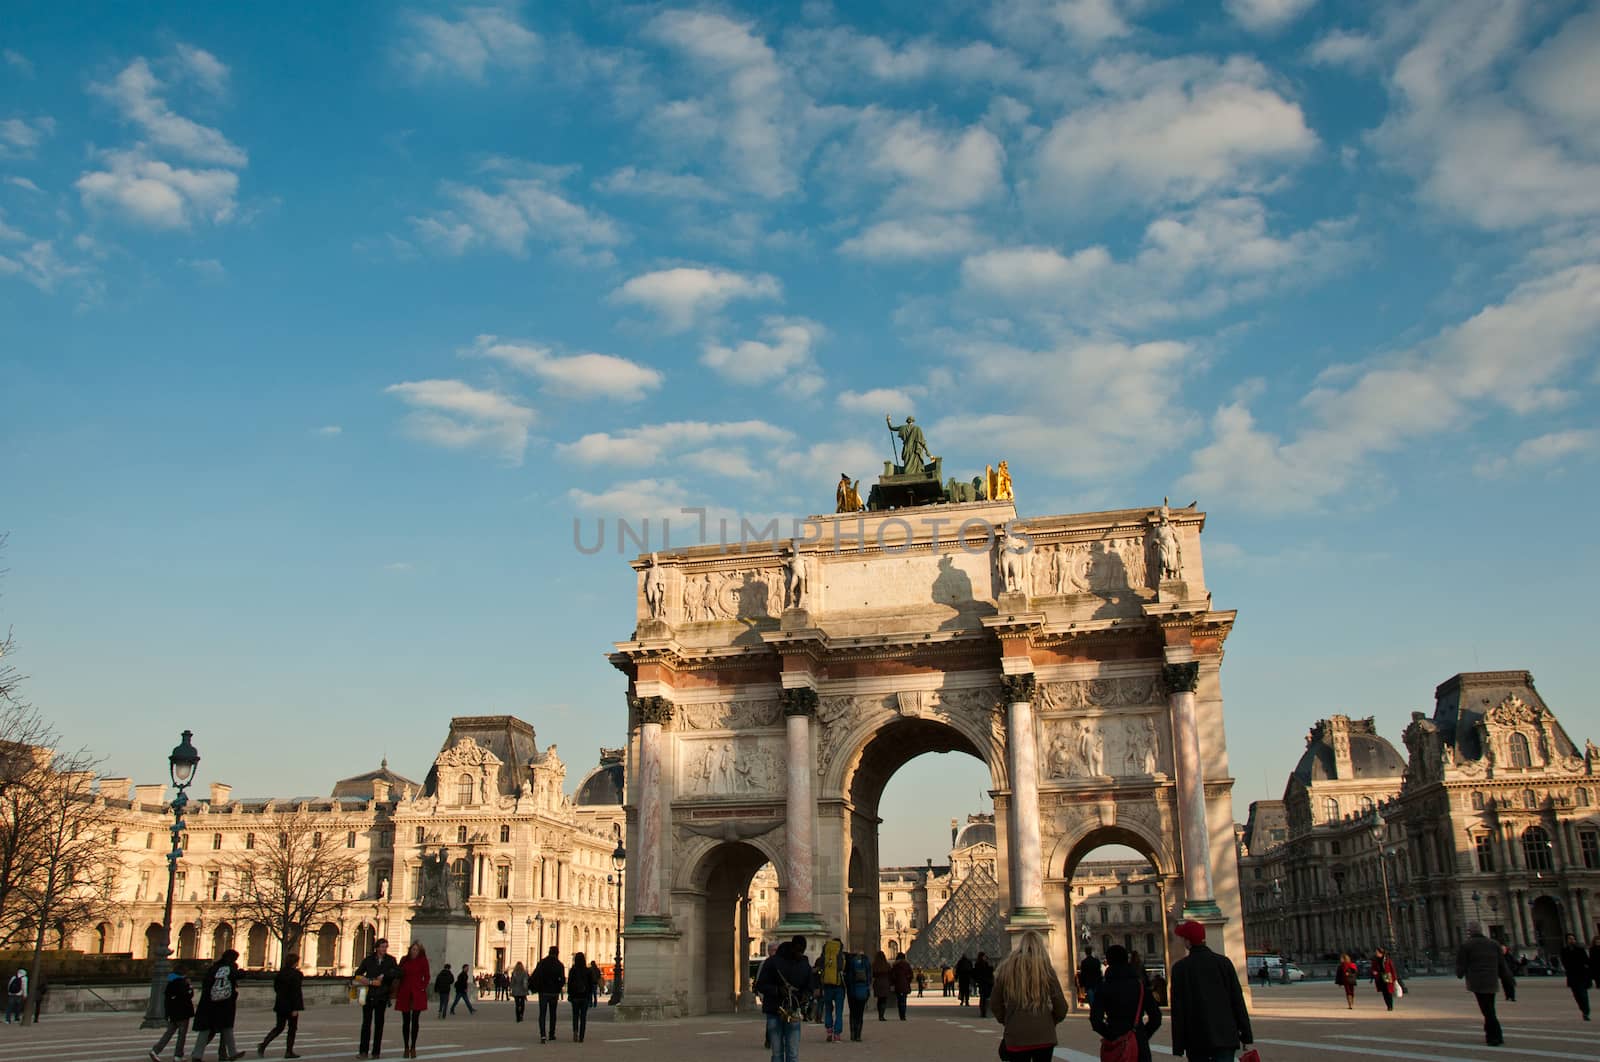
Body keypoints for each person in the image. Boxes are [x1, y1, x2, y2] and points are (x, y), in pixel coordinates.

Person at [1168, 920, 1253, 1062]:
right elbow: (1237, 1001)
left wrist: (1178, 1045)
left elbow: (1178, 1010)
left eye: (1184, 938)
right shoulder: (1224, 963)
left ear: (1188, 941)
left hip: (1196, 1038)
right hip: (1225, 1035)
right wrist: (1245, 1034)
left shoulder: (1180, 968)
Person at [990, 930, 1068, 1062]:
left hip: (1016, 1035)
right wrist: (1050, 1021)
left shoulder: (1006, 969)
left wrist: (1009, 1020)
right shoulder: (1046, 969)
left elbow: (995, 1003)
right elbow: (1061, 1006)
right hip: (1044, 1034)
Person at [1090, 945, 1162, 1062]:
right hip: (1138, 1042)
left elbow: (1095, 1020)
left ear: (1108, 962)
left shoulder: (1104, 987)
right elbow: (1156, 1017)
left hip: (1115, 1040)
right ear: (1126, 960)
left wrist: (1110, 1035)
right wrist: (1142, 1035)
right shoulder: (1140, 986)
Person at [756, 937, 816, 1062]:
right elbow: (760, 985)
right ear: (792, 947)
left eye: (802, 951)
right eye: (799, 950)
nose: (800, 953)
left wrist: (805, 995)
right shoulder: (774, 962)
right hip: (777, 1009)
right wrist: (777, 990)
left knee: (787, 1053)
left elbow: (810, 986)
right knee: (782, 1053)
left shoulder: (801, 963)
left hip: (788, 1009)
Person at [1457, 924, 1514, 1047]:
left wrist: (1460, 974)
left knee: (1487, 1010)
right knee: (1489, 1008)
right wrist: (1508, 978)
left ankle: (1494, 1036)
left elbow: (1462, 964)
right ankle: (1494, 1034)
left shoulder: (1467, 945)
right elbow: (1502, 964)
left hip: (1477, 981)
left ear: (1470, 932)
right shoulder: (1494, 944)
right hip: (1492, 980)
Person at [190, 948, 243, 1062]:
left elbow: (206, 984)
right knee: (226, 1028)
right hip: (224, 1004)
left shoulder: (213, 968)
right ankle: (231, 1052)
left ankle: (197, 1055)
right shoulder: (229, 968)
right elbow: (238, 975)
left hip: (208, 1003)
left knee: (205, 1030)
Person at [355, 938, 401, 1060]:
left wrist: (385, 976)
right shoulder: (368, 960)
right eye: (382, 947)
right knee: (366, 1024)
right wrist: (365, 979)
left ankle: (376, 1052)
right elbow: (358, 973)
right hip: (368, 993)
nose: (384, 949)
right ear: (377, 948)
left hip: (382, 994)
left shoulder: (391, 960)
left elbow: (398, 973)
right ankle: (363, 1051)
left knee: (379, 1025)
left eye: (386, 947)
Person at [258, 951, 304, 1059]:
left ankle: (263, 1045)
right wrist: (295, 1008)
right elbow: (296, 992)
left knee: (279, 1027)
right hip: (291, 1005)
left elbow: (276, 988)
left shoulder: (280, 973)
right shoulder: (296, 975)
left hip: (280, 1004)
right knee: (292, 1029)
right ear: (295, 963)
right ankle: (289, 1051)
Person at [393, 942, 430, 1059]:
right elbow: (398, 973)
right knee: (405, 1022)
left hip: (417, 993)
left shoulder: (423, 961)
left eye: (416, 950)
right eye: (412, 949)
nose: (414, 951)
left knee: (415, 1021)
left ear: (420, 951)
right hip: (405, 992)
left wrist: (422, 986)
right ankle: (406, 1047)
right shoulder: (404, 959)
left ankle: (413, 1046)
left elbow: (427, 976)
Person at [151, 964, 195, 1061]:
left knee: (169, 1033)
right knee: (182, 1035)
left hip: (173, 1013)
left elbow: (167, 999)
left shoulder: (170, 982)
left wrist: (167, 1014)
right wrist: (190, 988)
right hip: (183, 1012)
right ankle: (178, 1055)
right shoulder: (183, 983)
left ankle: (156, 1050)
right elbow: (188, 996)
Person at [532, 945, 565, 1043]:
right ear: (557, 953)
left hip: (543, 992)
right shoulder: (559, 965)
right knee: (553, 1014)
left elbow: (535, 976)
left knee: (542, 1014)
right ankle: (551, 1034)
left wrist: (537, 987)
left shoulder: (542, 963)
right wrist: (558, 987)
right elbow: (562, 980)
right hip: (554, 993)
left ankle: (542, 1035)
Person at [818, 937, 846, 1043]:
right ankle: (837, 1034)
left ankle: (829, 1031)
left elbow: (820, 967)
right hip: (839, 986)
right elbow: (843, 968)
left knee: (828, 1009)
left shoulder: (825, 955)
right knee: (839, 1012)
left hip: (827, 986)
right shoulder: (841, 956)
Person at [842, 948, 872, 1042]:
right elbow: (869, 978)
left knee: (853, 1013)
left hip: (852, 991)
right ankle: (858, 1035)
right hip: (862, 990)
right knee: (860, 1014)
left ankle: (853, 1034)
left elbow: (847, 978)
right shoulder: (866, 962)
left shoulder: (850, 962)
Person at [1561, 933, 1592, 1021]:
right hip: (1572, 976)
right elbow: (1564, 962)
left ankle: (1586, 1012)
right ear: (1567, 941)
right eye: (1569, 939)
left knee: (1583, 995)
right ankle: (1583, 1010)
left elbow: (1587, 962)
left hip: (1582, 975)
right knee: (1577, 996)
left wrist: (1588, 975)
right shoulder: (1564, 950)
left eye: (1573, 939)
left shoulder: (1580, 950)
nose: (1571, 940)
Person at [567, 951, 593, 1043]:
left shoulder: (572, 970)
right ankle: (581, 1036)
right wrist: (589, 996)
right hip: (584, 996)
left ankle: (575, 1031)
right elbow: (591, 984)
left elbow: (569, 983)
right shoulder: (587, 971)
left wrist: (569, 994)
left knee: (575, 1016)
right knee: (583, 1017)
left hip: (575, 996)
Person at [1371, 946, 1398, 1011]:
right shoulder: (1375, 960)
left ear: (1381, 953)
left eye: (1377, 952)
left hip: (1387, 975)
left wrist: (1394, 978)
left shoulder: (1387, 960)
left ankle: (1390, 1006)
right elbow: (1373, 968)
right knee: (1384, 992)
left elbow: (1392, 969)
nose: (1376, 953)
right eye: (1376, 952)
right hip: (1380, 976)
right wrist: (1374, 972)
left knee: (1389, 992)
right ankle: (1388, 1005)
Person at [890, 952, 913, 1020]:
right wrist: (908, 981)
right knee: (904, 1000)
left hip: (898, 985)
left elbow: (892, 976)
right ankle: (903, 1015)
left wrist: (893, 983)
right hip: (905, 985)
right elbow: (911, 975)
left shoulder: (895, 965)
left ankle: (901, 1014)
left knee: (899, 1000)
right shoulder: (907, 965)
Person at [871, 950, 892, 1021]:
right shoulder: (887, 965)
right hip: (885, 983)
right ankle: (882, 1015)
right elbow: (890, 975)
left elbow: (872, 974)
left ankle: (880, 1014)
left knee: (879, 999)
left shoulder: (874, 965)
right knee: (884, 1000)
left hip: (877, 983)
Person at [974, 951, 995, 1018]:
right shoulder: (984, 964)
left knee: (983, 997)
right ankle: (984, 1011)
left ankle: (983, 1011)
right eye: (984, 956)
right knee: (985, 997)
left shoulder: (978, 964)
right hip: (986, 982)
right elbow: (988, 972)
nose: (985, 958)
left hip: (983, 983)